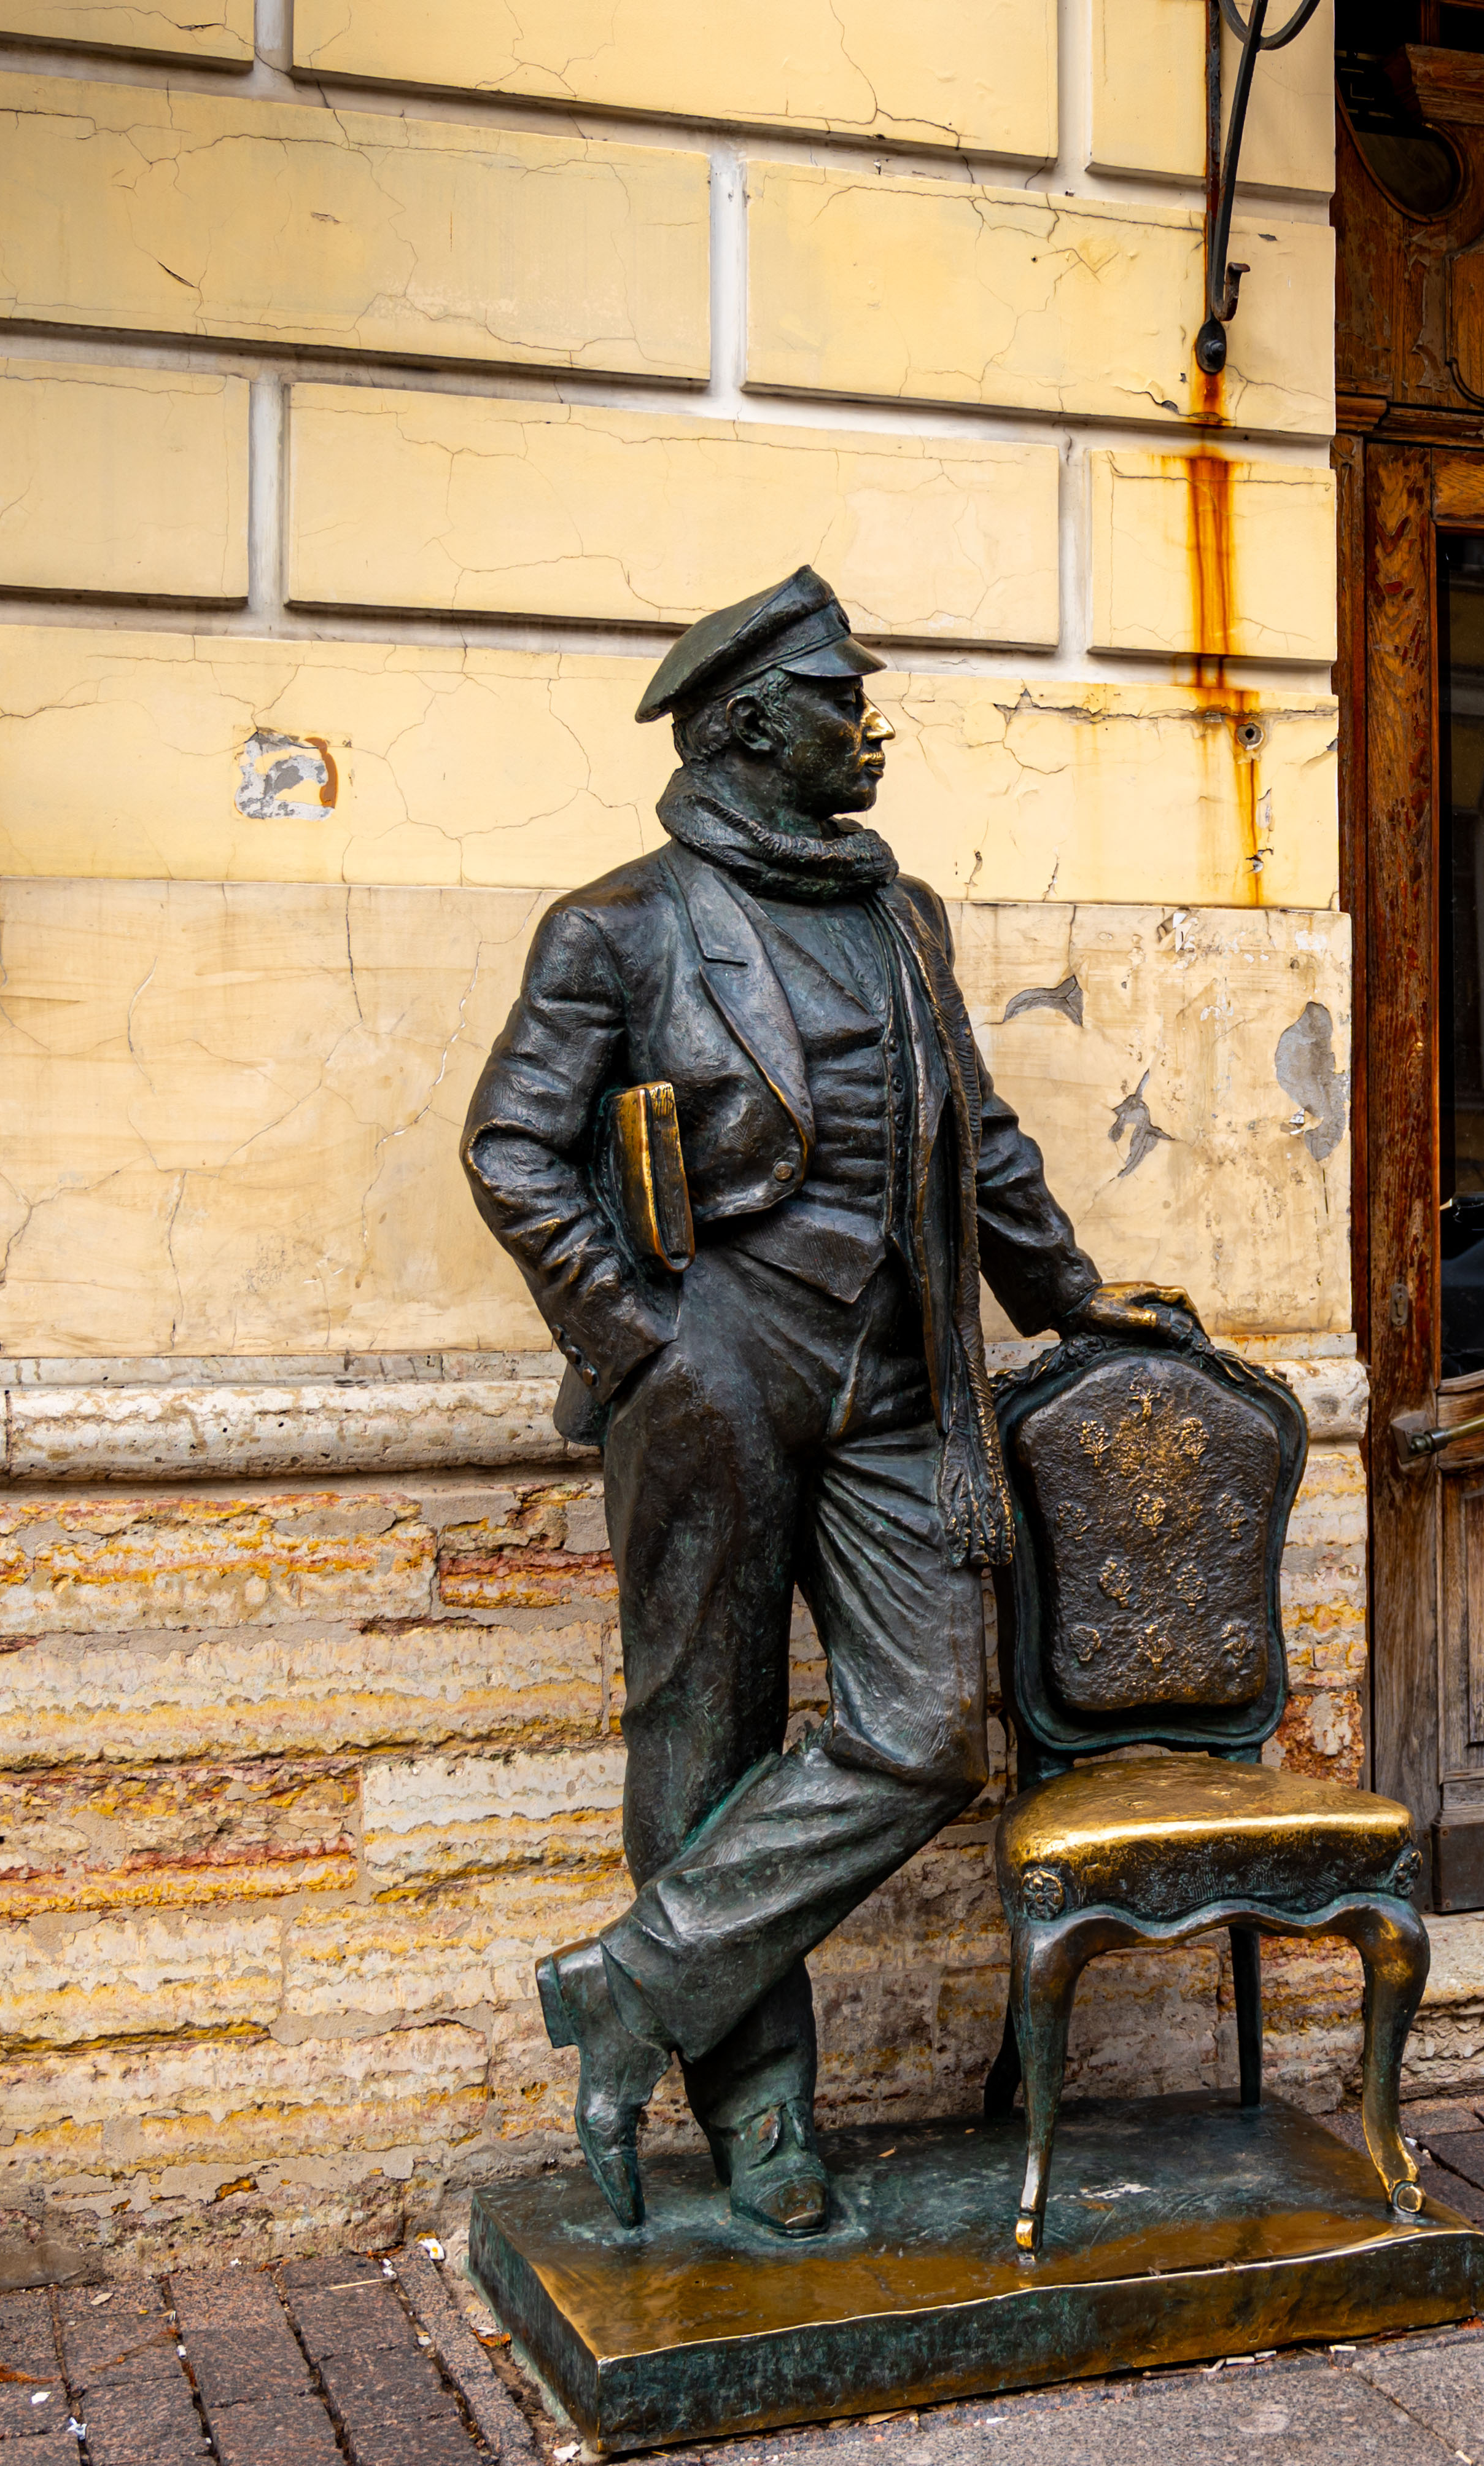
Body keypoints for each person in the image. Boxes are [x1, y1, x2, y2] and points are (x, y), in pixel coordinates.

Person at [459, 569, 1195, 2232]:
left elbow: (974, 1135)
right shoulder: (619, 927)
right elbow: (512, 1148)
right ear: (748, 723)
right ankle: (763, 2119)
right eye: (839, 700)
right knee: (701, 1734)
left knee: (927, 1730)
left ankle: (636, 1982)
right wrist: (647, 1335)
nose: (868, 729)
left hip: (894, 1381)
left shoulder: (899, 912)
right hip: (712, 1367)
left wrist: (1064, 1289)